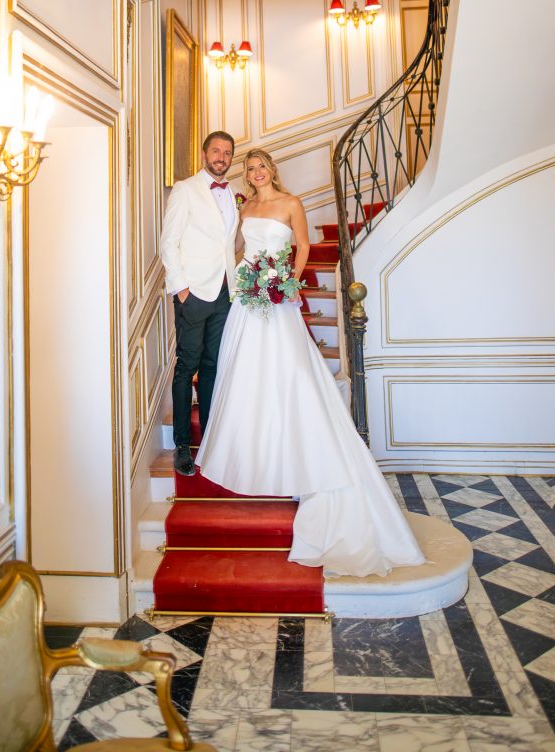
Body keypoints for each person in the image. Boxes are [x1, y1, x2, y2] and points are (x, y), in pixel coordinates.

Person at [196, 148, 426, 577]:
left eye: (260, 165)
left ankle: (297, 447)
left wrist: (287, 279)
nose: (255, 171)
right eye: (250, 168)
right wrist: (243, 279)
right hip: (248, 299)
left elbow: (303, 245)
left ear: (272, 170)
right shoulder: (247, 206)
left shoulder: (291, 203)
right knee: (244, 373)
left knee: (292, 373)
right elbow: (240, 247)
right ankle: (251, 451)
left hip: (278, 297)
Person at [160, 131, 239, 476]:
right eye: (216, 151)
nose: (221, 157)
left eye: (227, 152)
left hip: (224, 293)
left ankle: (208, 438)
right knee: (186, 368)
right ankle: (181, 446)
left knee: (212, 367)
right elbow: (169, 241)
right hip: (193, 294)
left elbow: (229, 244)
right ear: (204, 153)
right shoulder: (185, 189)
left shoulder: (233, 193)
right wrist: (181, 290)